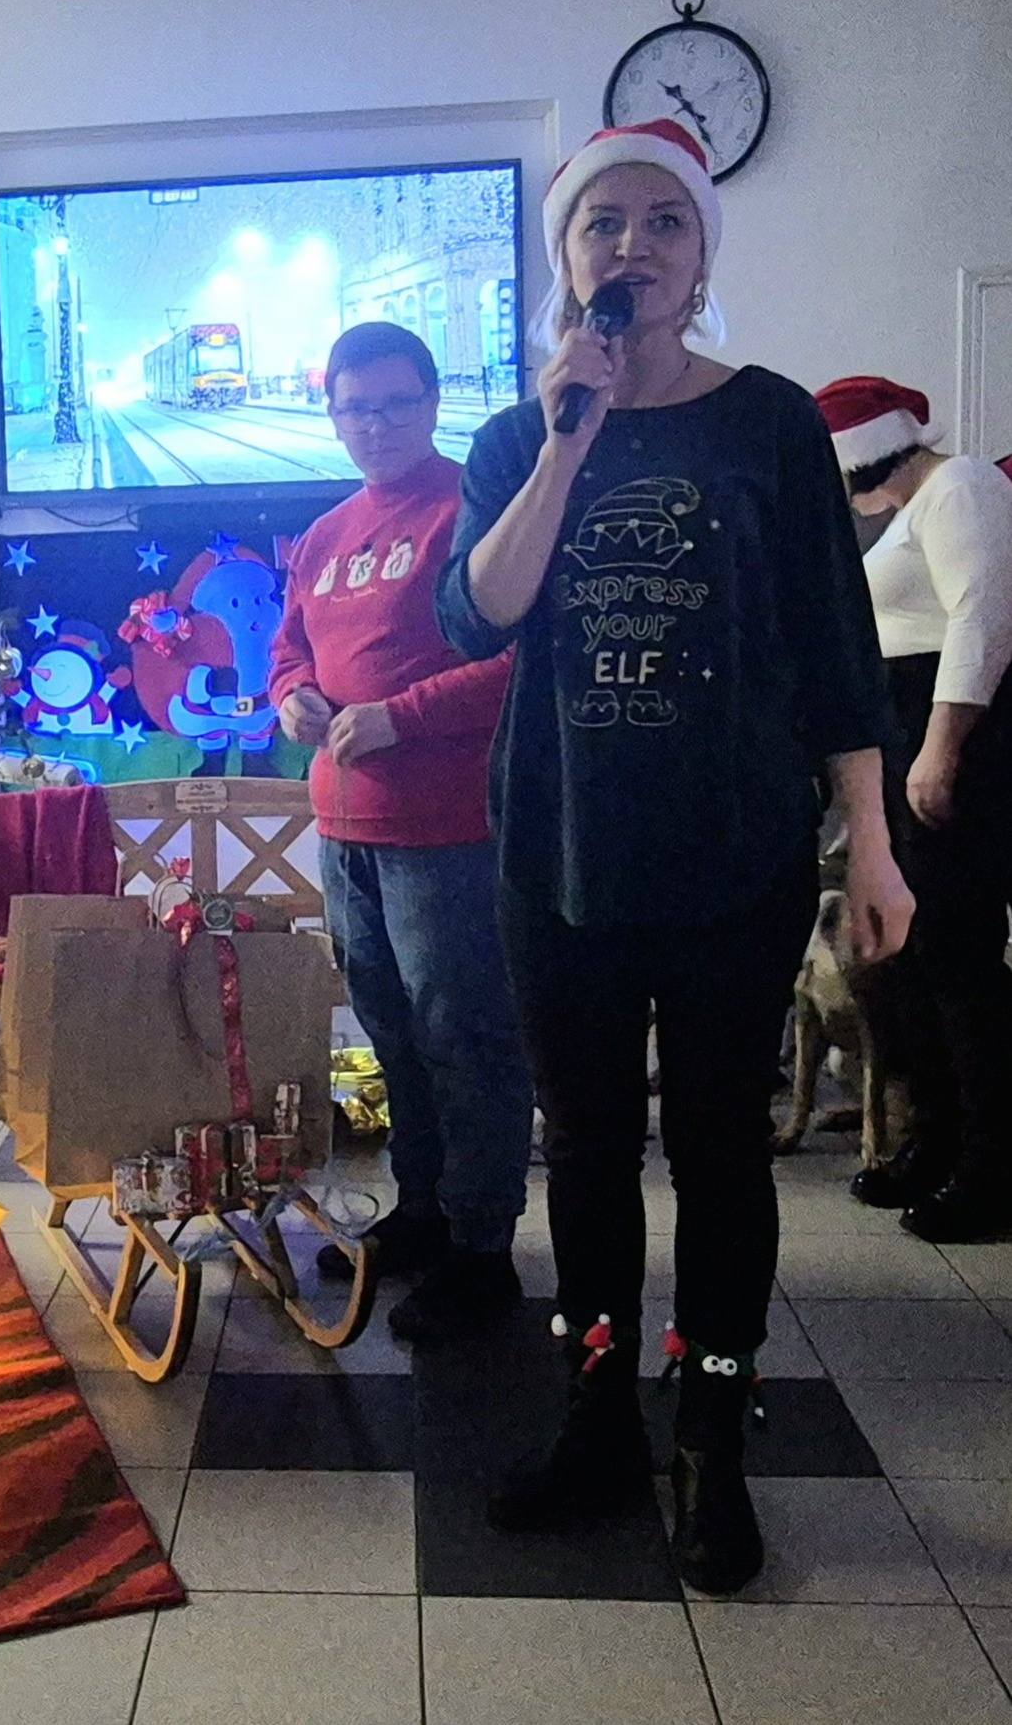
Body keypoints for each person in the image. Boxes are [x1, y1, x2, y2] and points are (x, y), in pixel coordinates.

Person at [435, 120, 912, 1595]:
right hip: (558, 855)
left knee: (715, 1149)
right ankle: (594, 1413)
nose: (630, 246)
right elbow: (480, 611)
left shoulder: (767, 421)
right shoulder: (517, 434)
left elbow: (834, 650)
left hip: (731, 856)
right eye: (602, 223)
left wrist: (873, 845)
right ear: (563, 256)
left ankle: (709, 1427)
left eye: (662, 222)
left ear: (700, 257)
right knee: (582, 1147)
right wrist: (564, 440)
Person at [269, 320, 531, 1342]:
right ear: (331, 415)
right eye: (354, 408)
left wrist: (399, 717)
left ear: (432, 401)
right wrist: (291, 694)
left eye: (393, 403)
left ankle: (482, 1247)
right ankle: (422, 1211)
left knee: (466, 1037)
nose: (373, 424)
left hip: (447, 830)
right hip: (344, 828)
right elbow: (288, 649)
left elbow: (519, 661)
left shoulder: (476, 507)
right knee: (393, 1036)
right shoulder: (326, 532)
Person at [815, 376, 1012, 1240]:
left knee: (957, 957)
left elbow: (981, 617)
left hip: (950, 735)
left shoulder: (960, 484)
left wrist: (940, 748)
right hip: (898, 732)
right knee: (910, 956)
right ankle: (934, 1140)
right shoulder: (903, 510)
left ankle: (992, 1168)